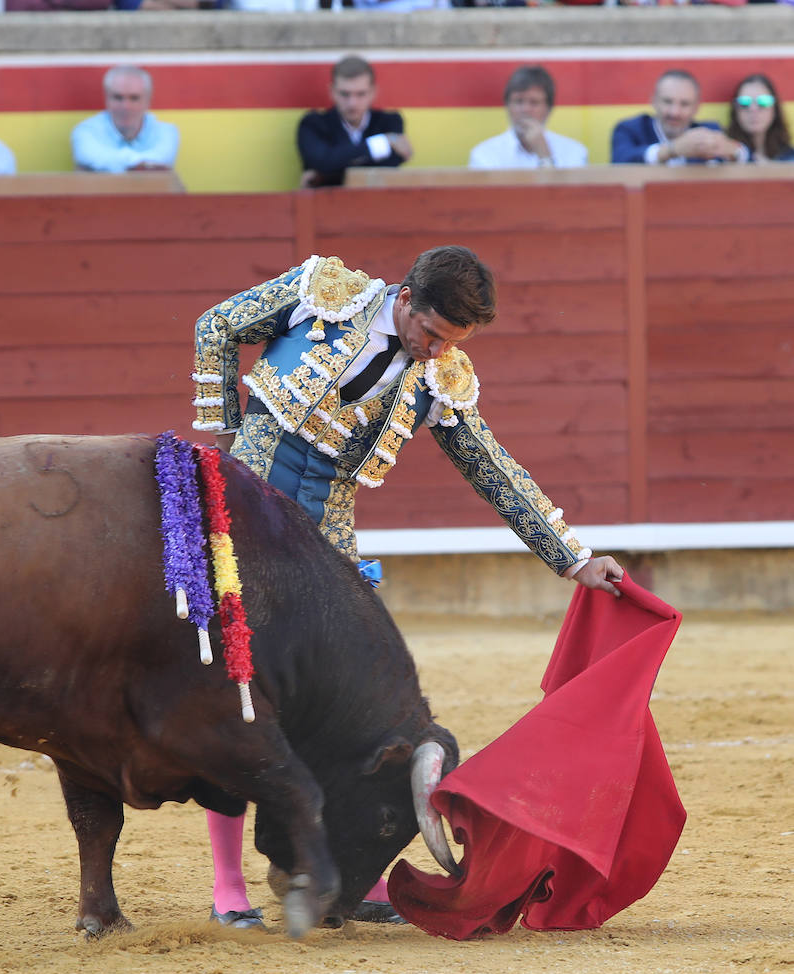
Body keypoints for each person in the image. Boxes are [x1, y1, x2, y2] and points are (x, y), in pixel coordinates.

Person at [191, 245, 624, 928]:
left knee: (347, 709)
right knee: (238, 690)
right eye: (430, 335)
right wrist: (227, 436)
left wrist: (573, 556)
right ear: (407, 300)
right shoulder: (324, 293)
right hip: (246, 515)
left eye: (450, 343)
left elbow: (492, 466)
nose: (432, 352)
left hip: (327, 546)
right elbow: (216, 325)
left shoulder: (439, 375)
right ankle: (227, 886)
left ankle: (334, 866)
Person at [297, 56, 410, 189]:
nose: (352, 103)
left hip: (377, 205)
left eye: (360, 94)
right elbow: (321, 162)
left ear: (373, 92)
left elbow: (390, 165)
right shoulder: (313, 124)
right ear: (332, 92)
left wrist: (325, 174)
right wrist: (380, 143)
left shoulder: (389, 122)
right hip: (326, 207)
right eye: (345, 94)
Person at [611, 69, 746, 166]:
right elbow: (620, 160)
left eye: (684, 104)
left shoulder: (709, 130)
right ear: (654, 101)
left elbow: (749, 158)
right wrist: (673, 150)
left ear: (696, 107)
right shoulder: (629, 129)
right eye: (668, 102)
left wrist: (733, 151)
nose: (675, 112)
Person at [468, 65, 589, 170]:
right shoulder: (485, 153)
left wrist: (545, 157)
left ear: (548, 109)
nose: (525, 109)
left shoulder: (574, 151)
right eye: (518, 101)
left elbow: (567, 196)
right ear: (508, 106)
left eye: (534, 102)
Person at [71, 66, 179, 173]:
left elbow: (162, 159)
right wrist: (143, 166)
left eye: (134, 98)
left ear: (148, 100)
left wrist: (107, 165)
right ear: (106, 99)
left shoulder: (167, 132)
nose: (126, 106)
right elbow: (157, 165)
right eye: (118, 97)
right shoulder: (85, 131)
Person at [725, 73, 794, 163]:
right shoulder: (722, 154)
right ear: (735, 110)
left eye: (763, 101)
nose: (753, 109)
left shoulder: (790, 158)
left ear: (775, 108)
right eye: (744, 102)